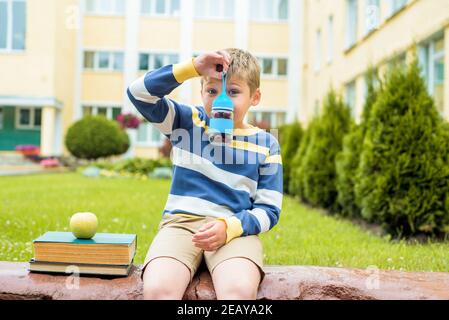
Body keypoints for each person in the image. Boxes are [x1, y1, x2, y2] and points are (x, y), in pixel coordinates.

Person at [127, 48, 283, 300]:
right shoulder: (188, 123)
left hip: (233, 230)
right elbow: (138, 93)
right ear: (201, 93)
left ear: (255, 97)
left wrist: (230, 227)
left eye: (233, 92)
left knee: (239, 291)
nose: (221, 100)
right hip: (180, 226)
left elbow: (269, 209)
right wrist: (192, 67)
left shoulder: (266, 143)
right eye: (212, 91)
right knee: (158, 289)